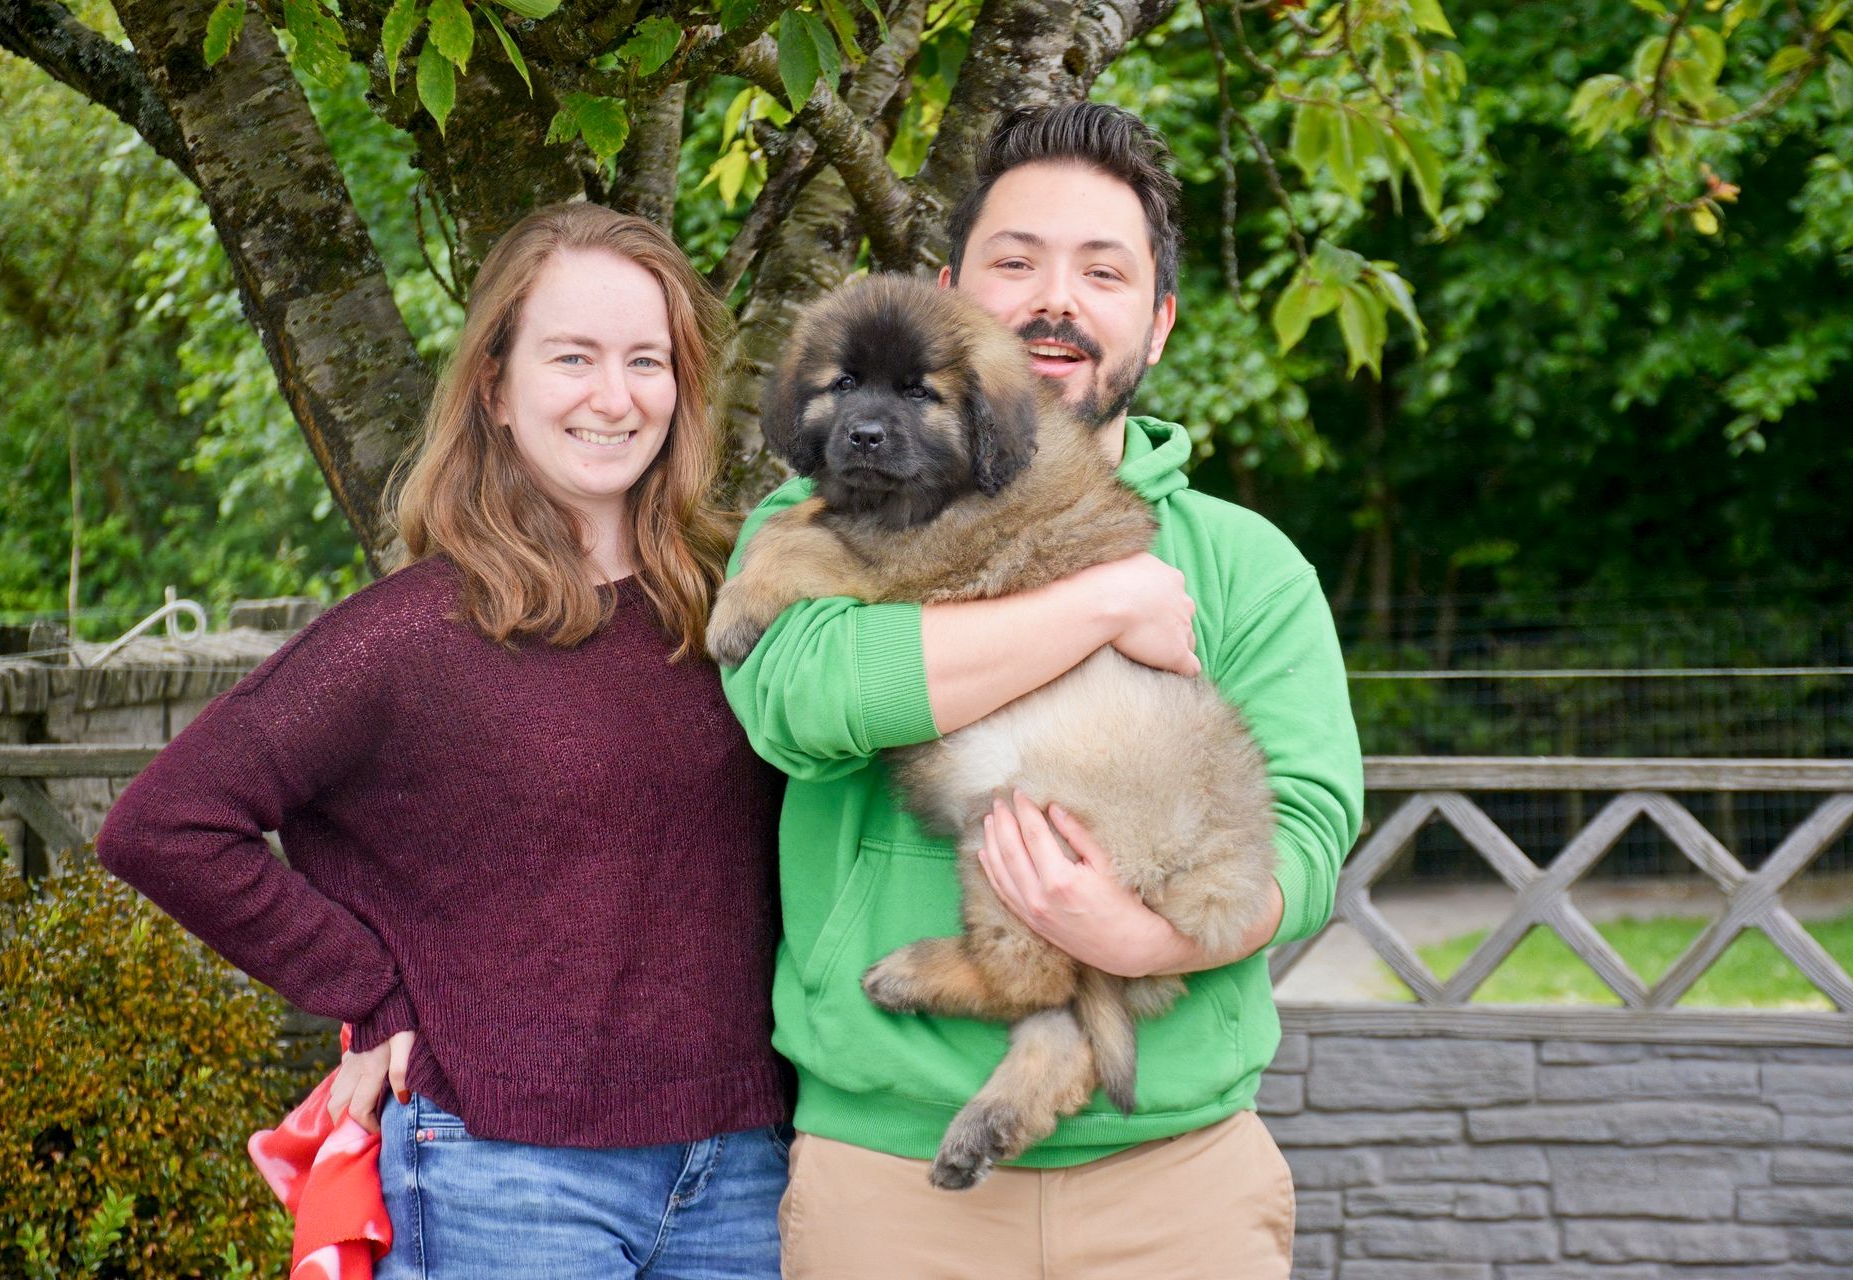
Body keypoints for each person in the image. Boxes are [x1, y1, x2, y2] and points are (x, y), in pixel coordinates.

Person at [720, 103, 1363, 1277]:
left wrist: (1135, 932)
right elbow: (802, 699)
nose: (1054, 299)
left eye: (1102, 271)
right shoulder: (808, 518)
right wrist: (1101, 607)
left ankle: (1057, 1037)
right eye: (1015, 262)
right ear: (953, 292)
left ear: (1158, 321)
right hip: (885, 1181)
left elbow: (1311, 837)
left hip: (1179, 1185)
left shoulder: (1247, 563)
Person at [98, 202, 790, 1279]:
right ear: (495, 389)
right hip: (511, 1175)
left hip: (740, 1167)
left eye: (646, 359)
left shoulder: (734, 607)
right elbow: (164, 823)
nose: (616, 396)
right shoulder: (415, 633)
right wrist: (369, 988)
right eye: (573, 357)